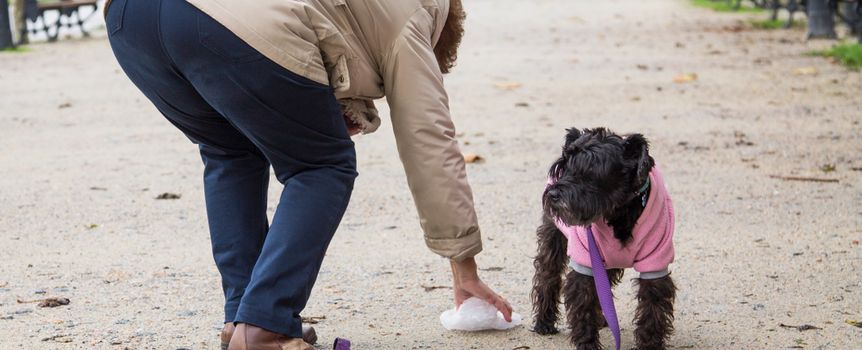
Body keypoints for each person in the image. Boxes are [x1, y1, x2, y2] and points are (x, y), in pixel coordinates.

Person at [104, 0, 512, 348]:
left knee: (231, 152)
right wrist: (464, 267)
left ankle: (242, 318)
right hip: (228, 23)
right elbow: (429, 141)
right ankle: (265, 324)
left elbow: (326, 39)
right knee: (322, 165)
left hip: (131, 20)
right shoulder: (419, 15)